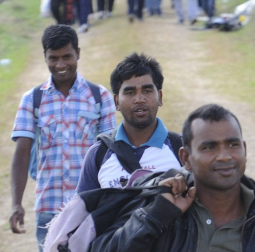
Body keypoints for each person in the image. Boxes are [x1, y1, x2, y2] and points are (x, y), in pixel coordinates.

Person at [89, 104, 255, 252]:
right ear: (186, 158)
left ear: (244, 150)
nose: (224, 156)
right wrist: (155, 218)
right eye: (209, 147)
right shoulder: (161, 207)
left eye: (232, 144)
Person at [9, 25, 116, 251]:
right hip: (49, 207)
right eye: (53, 58)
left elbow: (110, 155)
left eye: (67, 56)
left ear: (78, 53)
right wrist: (16, 203)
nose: (60, 65)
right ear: (45, 57)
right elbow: (22, 153)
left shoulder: (99, 97)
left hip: (90, 206)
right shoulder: (32, 100)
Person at [76, 53, 182, 192]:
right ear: (116, 102)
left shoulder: (181, 149)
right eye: (130, 92)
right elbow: (83, 210)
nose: (139, 99)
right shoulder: (99, 154)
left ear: (160, 97)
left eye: (147, 90)